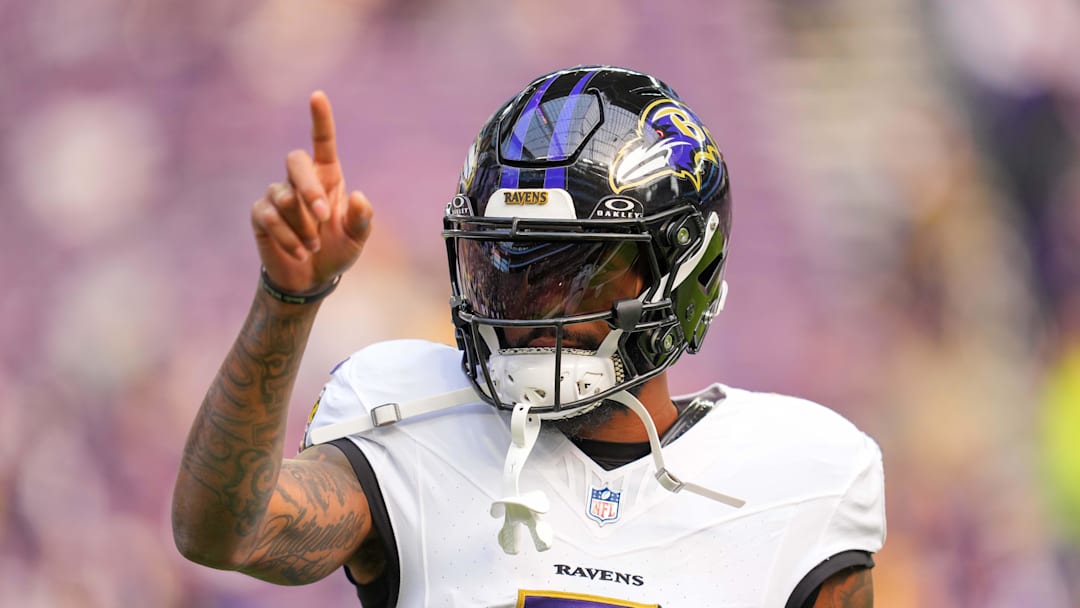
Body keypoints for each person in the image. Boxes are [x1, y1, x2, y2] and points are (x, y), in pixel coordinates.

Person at [172, 66, 886, 607]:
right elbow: (227, 533)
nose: (537, 309)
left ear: (682, 275)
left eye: (582, 273)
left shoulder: (800, 479)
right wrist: (287, 301)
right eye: (508, 271)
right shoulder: (409, 422)